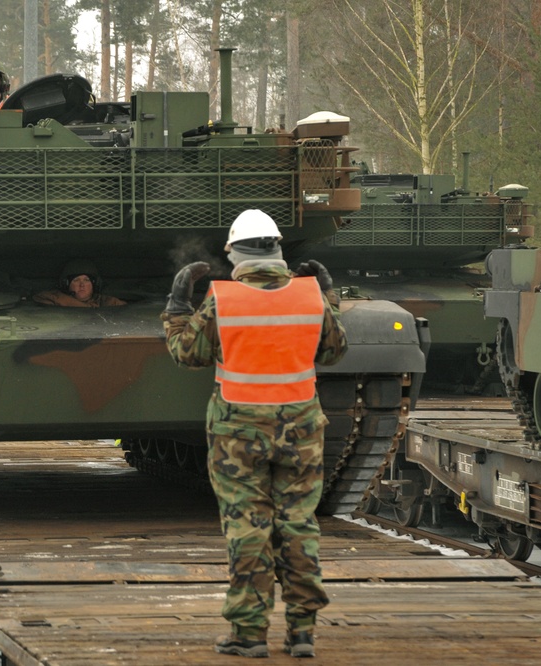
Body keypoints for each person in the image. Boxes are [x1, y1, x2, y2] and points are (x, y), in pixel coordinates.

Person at [161, 209, 348, 659]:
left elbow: (187, 354)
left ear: (234, 253)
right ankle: (302, 631)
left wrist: (177, 306)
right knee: (299, 525)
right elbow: (335, 350)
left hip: (238, 435)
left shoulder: (223, 300)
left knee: (248, 529)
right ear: (278, 249)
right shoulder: (309, 297)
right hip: (301, 431)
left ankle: (249, 633)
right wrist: (329, 296)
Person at [33, 259, 126, 308]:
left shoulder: (107, 302)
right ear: (66, 284)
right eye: (76, 280)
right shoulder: (55, 298)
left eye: (86, 280)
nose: (82, 285)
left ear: (94, 284)